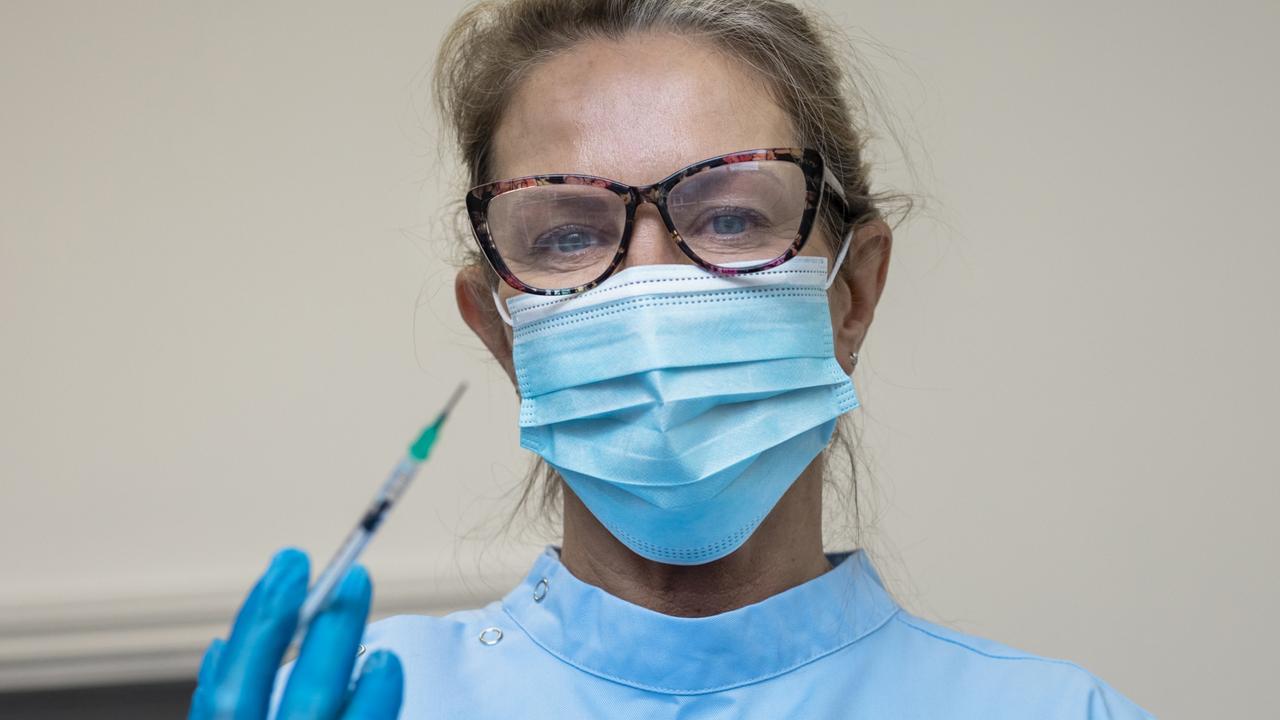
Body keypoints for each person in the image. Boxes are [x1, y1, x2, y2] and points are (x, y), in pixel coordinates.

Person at [188, 1, 1156, 718]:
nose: (646, 291)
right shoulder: (358, 705)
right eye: (567, 236)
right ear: (497, 329)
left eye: (731, 217)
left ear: (851, 294)